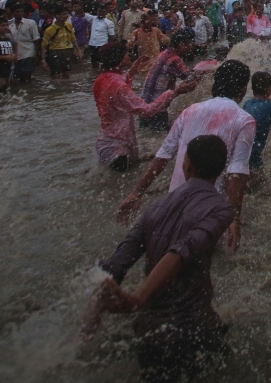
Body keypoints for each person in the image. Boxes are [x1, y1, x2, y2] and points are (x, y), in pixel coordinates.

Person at [89, 135, 237, 383]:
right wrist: (138, 299)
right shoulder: (221, 209)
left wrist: (90, 325)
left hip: (148, 333)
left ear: (186, 165)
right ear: (222, 168)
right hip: (193, 332)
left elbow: (115, 264)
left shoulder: (157, 205)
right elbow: (182, 251)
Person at [118, 60, 255, 250]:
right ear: (241, 89)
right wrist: (234, 219)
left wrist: (137, 192)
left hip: (175, 205)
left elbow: (163, 157)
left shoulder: (190, 111)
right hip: (211, 212)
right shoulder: (244, 120)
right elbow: (236, 174)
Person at [93, 43, 197, 172]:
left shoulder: (102, 79)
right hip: (118, 148)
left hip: (106, 142)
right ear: (118, 57)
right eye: (126, 53)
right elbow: (146, 111)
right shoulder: (118, 86)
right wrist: (175, 92)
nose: (129, 54)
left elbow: (118, 87)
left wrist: (133, 70)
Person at [139, 30, 197, 131]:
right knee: (161, 137)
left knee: (147, 134)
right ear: (182, 44)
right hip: (157, 107)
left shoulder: (164, 54)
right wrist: (208, 71)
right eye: (190, 42)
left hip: (144, 105)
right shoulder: (173, 59)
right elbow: (190, 78)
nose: (192, 46)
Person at [42, 7, 80, 79]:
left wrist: (78, 51)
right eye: (63, 14)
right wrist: (43, 60)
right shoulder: (50, 29)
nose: (66, 16)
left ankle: (65, 89)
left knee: (66, 74)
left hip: (67, 52)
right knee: (55, 75)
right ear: (57, 16)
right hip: (54, 53)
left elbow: (73, 39)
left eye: (66, 14)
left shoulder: (68, 25)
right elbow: (44, 45)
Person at [9, 5, 42, 83]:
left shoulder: (30, 23)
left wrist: (37, 56)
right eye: (17, 12)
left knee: (27, 76)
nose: (20, 13)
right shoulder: (10, 26)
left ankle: (29, 92)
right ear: (12, 13)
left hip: (28, 53)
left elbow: (37, 39)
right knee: (17, 78)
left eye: (21, 11)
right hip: (17, 55)